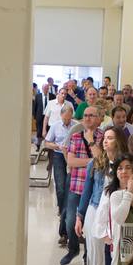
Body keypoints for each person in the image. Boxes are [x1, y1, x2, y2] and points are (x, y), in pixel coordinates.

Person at [76, 127, 120, 265]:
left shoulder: (124, 165)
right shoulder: (95, 164)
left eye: (110, 138)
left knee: (113, 257)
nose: (105, 141)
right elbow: (86, 192)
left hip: (116, 214)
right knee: (94, 256)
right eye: (105, 138)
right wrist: (80, 216)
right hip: (95, 211)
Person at [60, 107, 101, 265]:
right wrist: (92, 162)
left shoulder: (104, 137)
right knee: (70, 222)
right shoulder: (76, 137)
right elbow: (71, 162)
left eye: (92, 115)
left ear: (98, 119)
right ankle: (73, 249)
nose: (88, 118)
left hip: (93, 189)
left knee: (89, 224)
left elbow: (102, 162)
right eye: (86, 116)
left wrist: (91, 144)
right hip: (76, 186)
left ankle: (88, 254)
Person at [42, 103, 78, 245]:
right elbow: (47, 143)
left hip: (70, 157)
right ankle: (62, 208)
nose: (67, 121)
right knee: (61, 186)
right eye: (65, 119)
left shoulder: (76, 127)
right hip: (58, 156)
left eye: (69, 119)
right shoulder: (56, 126)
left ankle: (64, 211)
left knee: (69, 189)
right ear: (61, 115)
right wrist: (57, 146)